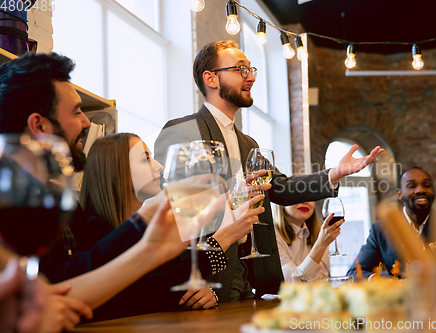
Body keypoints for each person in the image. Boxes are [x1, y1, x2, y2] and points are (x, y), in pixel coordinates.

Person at [154, 40, 384, 302]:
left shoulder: (248, 144)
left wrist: (333, 174)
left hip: (248, 285)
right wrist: (193, 281)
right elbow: (182, 216)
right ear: (211, 79)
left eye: (251, 69)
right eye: (240, 69)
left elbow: (282, 188)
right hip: (207, 285)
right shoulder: (181, 132)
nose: (251, 76)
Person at [0, 52, 219, 325]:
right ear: (39, 125)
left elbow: (65, 281)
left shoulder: (59, 204)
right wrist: (145, 232)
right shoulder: (18, 206)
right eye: (76, 111)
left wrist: (148, 238)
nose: (86, 123)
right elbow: (62, 284)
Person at [75, 132, 264, 316]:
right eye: (145, 159)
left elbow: (170, 280)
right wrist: (223, 239)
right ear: (116, 169)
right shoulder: (96, 231)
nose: (159, 166)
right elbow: (140, 296)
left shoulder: (145, 229)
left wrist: (203, 294)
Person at [346, 167, 436, 279]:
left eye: (426, 185)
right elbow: (354, 273)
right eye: (412, 186)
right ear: (399, 193)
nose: (420, 190)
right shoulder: (381, 229)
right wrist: (387, 283)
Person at [273, 202, 343, 282]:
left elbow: (322, 279)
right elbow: (292, 282)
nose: (305, 201)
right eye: (297, 194)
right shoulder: (271, 235)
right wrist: (320, 246)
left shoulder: (320, 232)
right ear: (280, 202)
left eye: (309, 197)